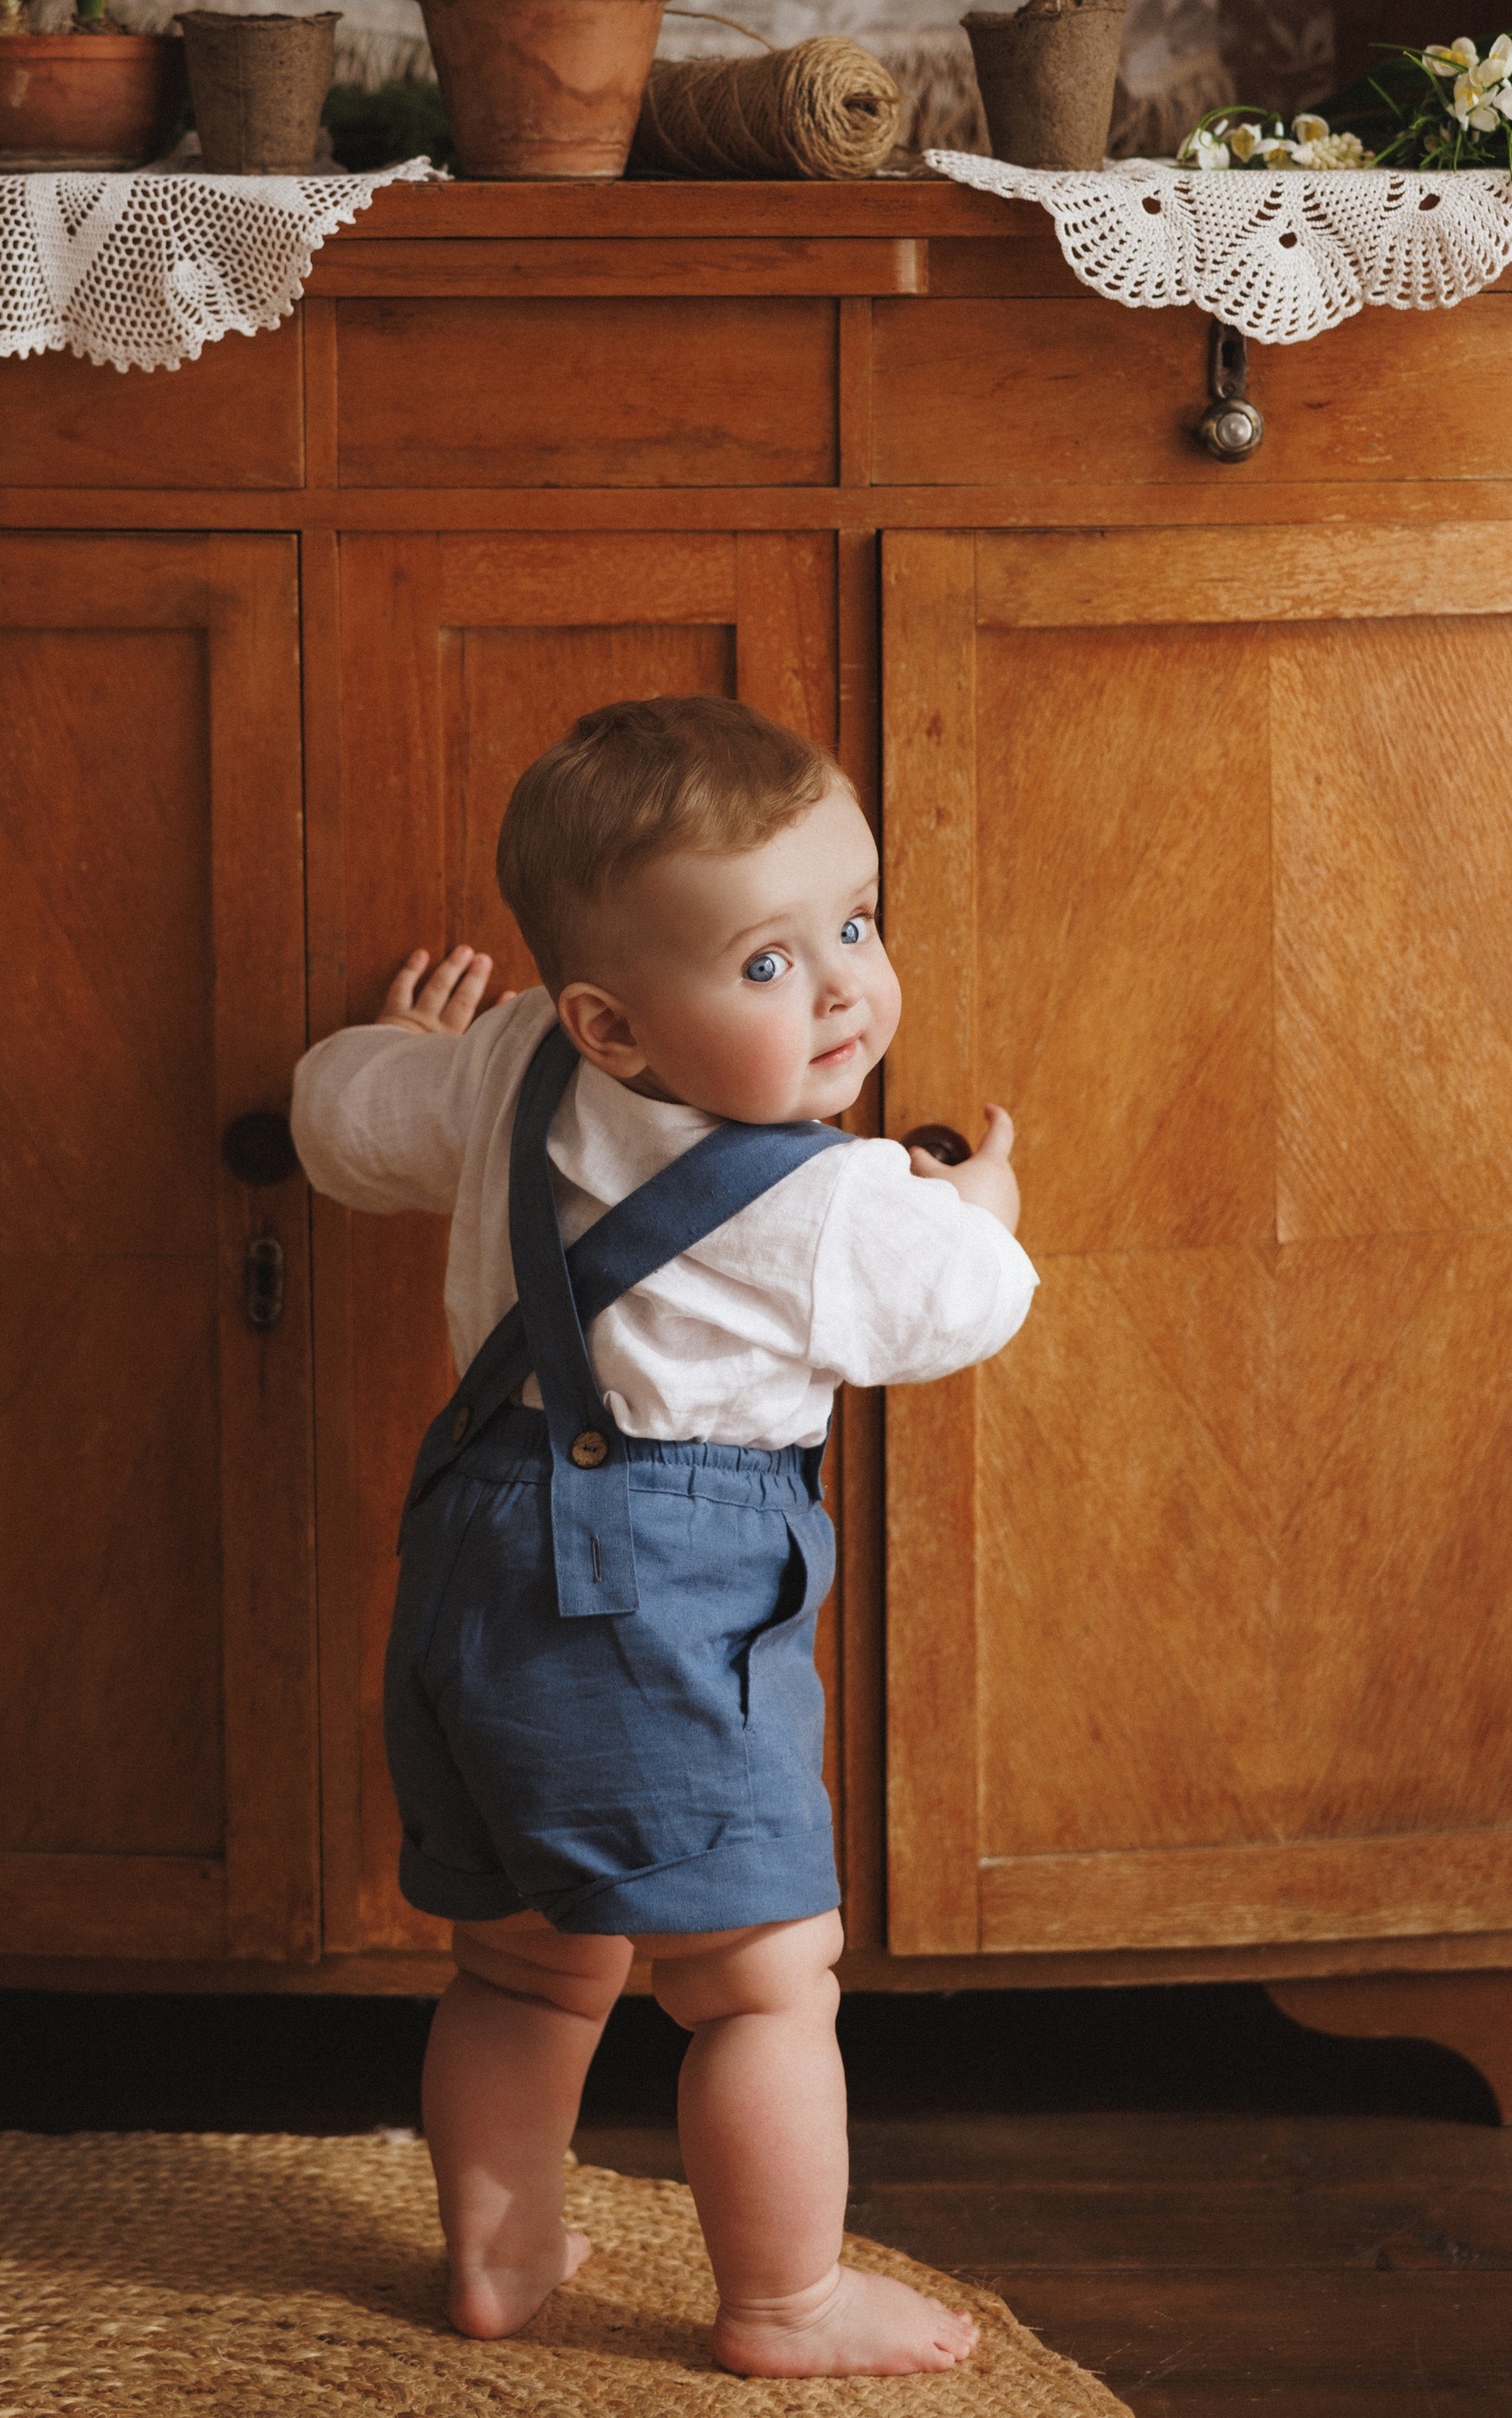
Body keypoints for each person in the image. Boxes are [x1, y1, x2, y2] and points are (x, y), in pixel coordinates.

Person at [289, 695, 1035, 2377]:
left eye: (852, 919)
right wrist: (974, 1210)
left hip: (467, 1573)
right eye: (769, 961)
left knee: (522, 1963)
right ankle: (783, 2298)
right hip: (654, 1592)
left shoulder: (497, 1067)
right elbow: (962, 1304)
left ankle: (497, 2251)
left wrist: (383, 1044)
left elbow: (339, 1123)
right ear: (612, 1022)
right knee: (762, 1982)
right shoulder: (832, 1198)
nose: (846, 982)